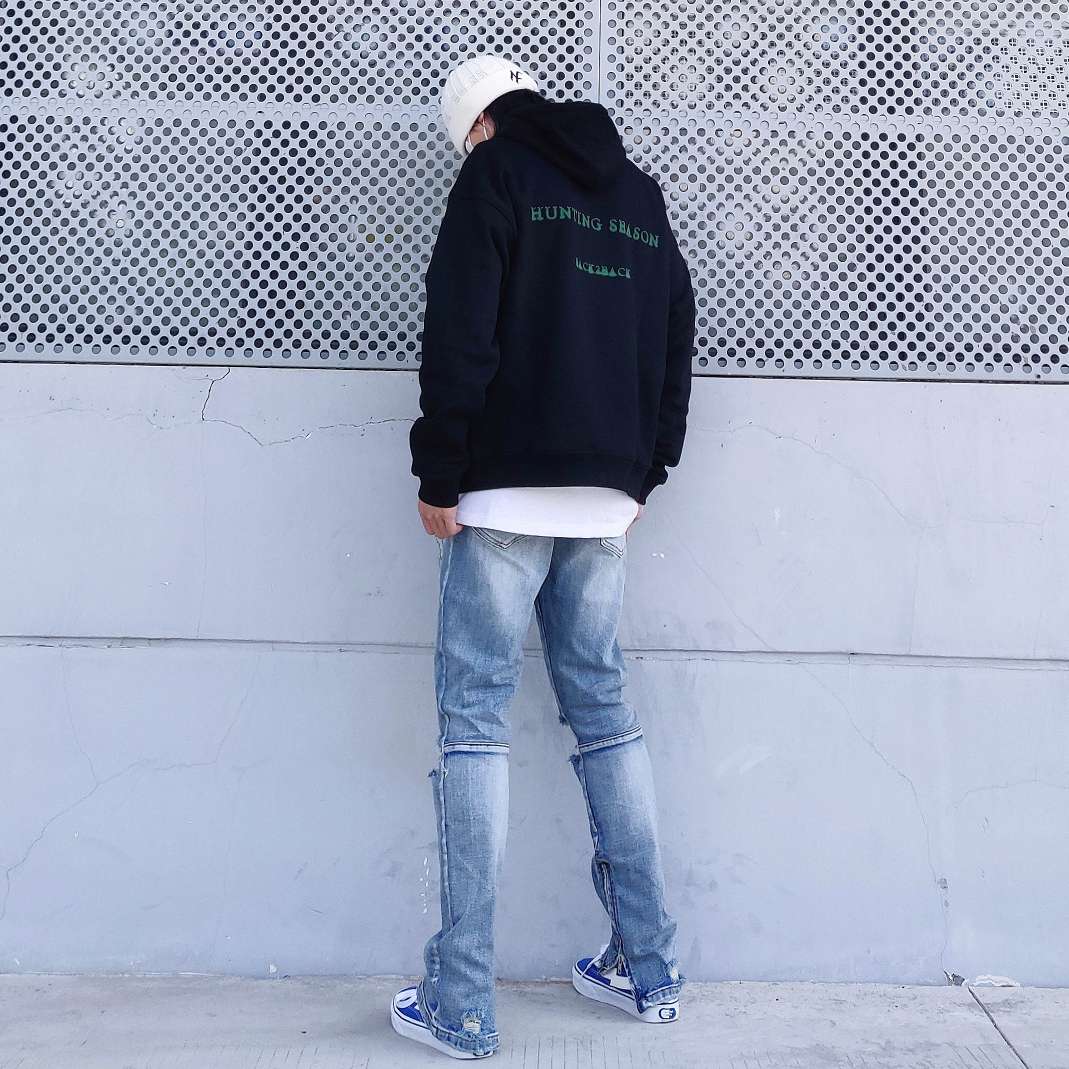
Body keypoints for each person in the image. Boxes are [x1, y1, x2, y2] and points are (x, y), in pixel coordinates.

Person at [393, 51, 697, 1060]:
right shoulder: (637, 193)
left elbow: (459, 327)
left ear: (478, 124)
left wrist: (439, 472)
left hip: (501, 493)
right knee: (605, 717)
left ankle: (461, 1002)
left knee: (475, 724)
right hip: (602, 501)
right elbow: (676, 331)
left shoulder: (496, 173)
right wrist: (644, 469)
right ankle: (648, 969)